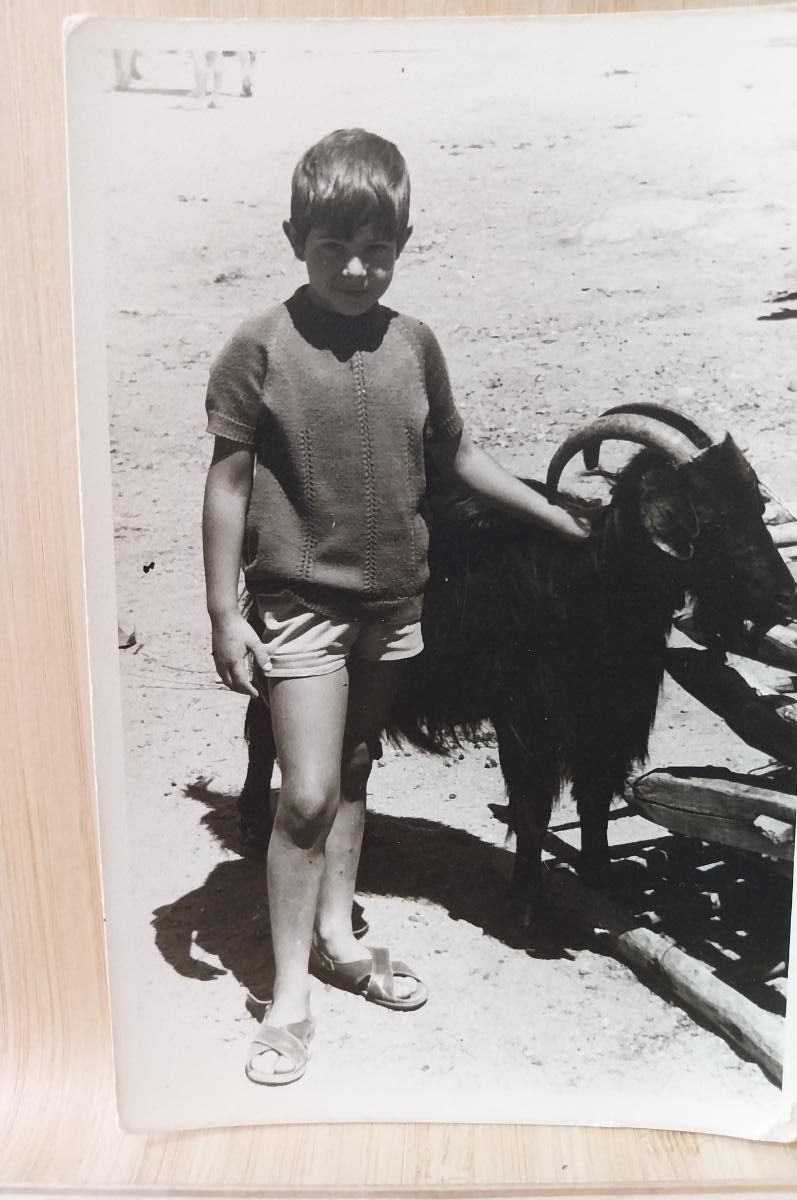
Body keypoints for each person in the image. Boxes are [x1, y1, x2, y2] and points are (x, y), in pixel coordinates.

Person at [202, 128, 590, 1086]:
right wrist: (222, 612)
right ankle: (287, 997)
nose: (356, 269)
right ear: (295, 239)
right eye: (333, 247)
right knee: (304, 794)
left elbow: (457, 454)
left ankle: (338, 938)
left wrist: (554, 516)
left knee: (356, 767)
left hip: (394, 604)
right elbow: (228, 483)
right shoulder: (259, 347)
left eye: (377, 250)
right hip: (301, 606)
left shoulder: (415, 345)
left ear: (404, 243)